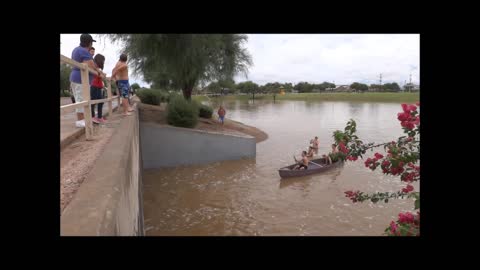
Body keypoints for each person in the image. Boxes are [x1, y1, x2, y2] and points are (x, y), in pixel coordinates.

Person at [69, 34, 103, 127]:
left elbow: (89, 63)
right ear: (89, 42)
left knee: (82, 99)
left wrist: (97, 70)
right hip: (80, 79)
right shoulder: (83, 51)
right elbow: (91, 64)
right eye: (91, 42)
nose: (91, 44)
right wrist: (98, 71)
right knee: (81, 100)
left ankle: (82, 119)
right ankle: (80, 121)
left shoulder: (78, 49)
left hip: (78, 78)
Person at [90, 54, 107, 124]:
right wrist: (101, 73)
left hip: (99, 86)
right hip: (94, 85)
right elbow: (101, 75)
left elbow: (103, 76)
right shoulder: (93, 65)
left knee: (101, 102)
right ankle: (92, 117)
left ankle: (99, 117)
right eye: (102, 61)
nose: (103, 62)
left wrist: (101, 73)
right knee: (93, 102)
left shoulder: (98, 68)